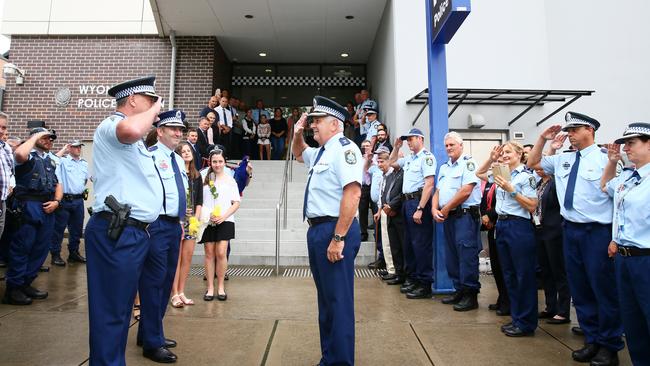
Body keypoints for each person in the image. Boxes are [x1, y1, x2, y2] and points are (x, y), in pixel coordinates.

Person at [527, 112, 623, 365]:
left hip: (597, 231)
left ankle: (609, 345)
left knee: (602, 289)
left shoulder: (607, 160)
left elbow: (618, 202)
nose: (569, 134)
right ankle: (592, 340)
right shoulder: (563, 160)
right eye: (568, 130)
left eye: (574, 129)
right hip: (570, 230)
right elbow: (532, 163)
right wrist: (542, 139)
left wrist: (615, 238)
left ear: (589, 131)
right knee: (580, 290)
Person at [85, 76, 163, 366]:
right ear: (132, 100)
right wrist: (155, 111)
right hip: (117, 229)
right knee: (111, 310)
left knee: (120, 309)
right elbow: (130, 129)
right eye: (149, 100)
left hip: (135, 232)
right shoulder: (113, 125)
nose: (154, 106)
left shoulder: (137, 141)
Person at [292, 96, 362, 366]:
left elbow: (353, 193)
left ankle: (341, 362)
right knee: (327, 302)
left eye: (317, 121)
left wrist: (338, 238)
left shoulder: (344, 149)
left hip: (335, 230)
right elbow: (299, 153)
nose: (313, 126)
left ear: (334, 124)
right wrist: (297, 133)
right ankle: (329, 358)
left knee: (338, 302)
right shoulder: (322, 151)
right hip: (319, 231)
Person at [135, 110, 188, 363]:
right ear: (160, 131)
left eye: (180, 129)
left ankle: (148, 332)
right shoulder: (151, 156)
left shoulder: (177, 159)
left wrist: (180, 223)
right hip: (155, 225)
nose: (179, 133)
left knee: (166, 282)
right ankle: (152, 343)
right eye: (173, 129)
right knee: (153, 283)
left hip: (172, 226)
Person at [476, 142, 538, 337]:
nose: (504, 155)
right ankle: (517, 318)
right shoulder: (501, 173)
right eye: (503, 153)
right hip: (502, 225)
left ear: (519, 154)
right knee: (509, 275)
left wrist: (512, 190)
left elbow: (531, 206)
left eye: (508, 152)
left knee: (523, 276)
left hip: (519, 226)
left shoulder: (526, 177)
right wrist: (492, 159)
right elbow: (479, 173)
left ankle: (527, 323)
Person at [601, 123, 650, 366]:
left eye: (632, 143)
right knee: (633, 324)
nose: (626, 148)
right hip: (624, 258)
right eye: (625, 144)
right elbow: (605, 187)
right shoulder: (628, 177)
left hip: (646, 259)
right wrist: (611, 162)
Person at [2, 128, 62, 305]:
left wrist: (57, 202)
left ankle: (25, 283)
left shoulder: (50, 160)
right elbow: (20, 154)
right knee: (22, 248)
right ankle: (13, 289)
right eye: (45, 137)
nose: (49, 140)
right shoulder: (26, 155)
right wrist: (36, 136)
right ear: (33, 137)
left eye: (51, 139)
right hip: (28, 206)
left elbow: (58, 184)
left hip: (47, 207)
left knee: (40, 249)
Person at [432, 132, 482, 311]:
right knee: (452, 256)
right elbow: (437, 191)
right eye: (446, 146)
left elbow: (466, 191)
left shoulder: (469, 164)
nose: (448, 148)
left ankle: (470, 295)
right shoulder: (445, 167)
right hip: (449, 218)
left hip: (465, 216)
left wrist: (444, 209)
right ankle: (459, 289)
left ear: (461, 145)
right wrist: (433, 208)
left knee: (466, 256)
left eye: (452, 145)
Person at [386, 128, 436, 299]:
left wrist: (421, 208)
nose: (408, 142)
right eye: (407, 140)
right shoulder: (409, 159)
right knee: (409, 244)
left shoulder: (426, 158)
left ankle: (425, 284)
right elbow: (391, 163)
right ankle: (414, 278)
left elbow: (429, 184)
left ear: (420, 139)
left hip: (418, 201)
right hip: (407, 203)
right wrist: (396, 147)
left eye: (411, 139)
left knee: (421, 245)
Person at [196, 149, 240, 301]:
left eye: (220, 161)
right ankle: (210, 288)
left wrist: (223, 216)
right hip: (208, 220)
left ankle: (220, 287)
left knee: (221, 252)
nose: (217, 164)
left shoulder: (230, 180)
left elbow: (236, 203)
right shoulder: (203, 177)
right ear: (210, 162)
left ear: (224, 162)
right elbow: (198, 200)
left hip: (225, 219)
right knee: (209, 253)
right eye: (214, 161)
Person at [532, 165, 571, 325]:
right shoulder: (538, 183)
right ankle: (550, 306)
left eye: (543, 165)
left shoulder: (556, 183)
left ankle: (563, 310)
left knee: (558, 271)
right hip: (539, 229)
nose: (539, 168)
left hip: (554, 231)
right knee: (545, 271)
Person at [170, 141, 203, 308]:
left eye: (188, 150)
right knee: (175, 258)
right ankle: (173, 293)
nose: (186, 153)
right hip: (177, 221)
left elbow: (199, 201)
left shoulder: (197, 176)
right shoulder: (174, 174)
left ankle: (182, 291)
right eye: (183, 151)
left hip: (191, 222)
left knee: (187, 258)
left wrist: (195, 220)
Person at [50, 140, 89, 266]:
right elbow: (53, 159)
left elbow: (88, 179)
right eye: (76, 147)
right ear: (70, 148)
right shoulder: (63, 161)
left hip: (78, 200)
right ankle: (55, 255)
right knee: (59, 229)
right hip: (65, 200)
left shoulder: (84, 163)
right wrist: (64, 149)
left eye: (80, 147)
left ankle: (74, 253)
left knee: (77, 229)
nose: (78, 149)